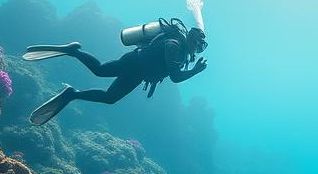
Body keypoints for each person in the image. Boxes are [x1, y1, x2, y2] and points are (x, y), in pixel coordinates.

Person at [23, 17, 207, 125]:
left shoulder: (182, 54)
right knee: (99, 70)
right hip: (133, 63)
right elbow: (175, 77)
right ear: (191, 38)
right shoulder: (174, 46)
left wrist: (192, 69)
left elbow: (173, 73)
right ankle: (73, 50)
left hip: (138, 74)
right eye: (199, 44)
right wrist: (195, 71)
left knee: (110, 98)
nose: (198, 49)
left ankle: (71, 94)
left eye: (202, 47)